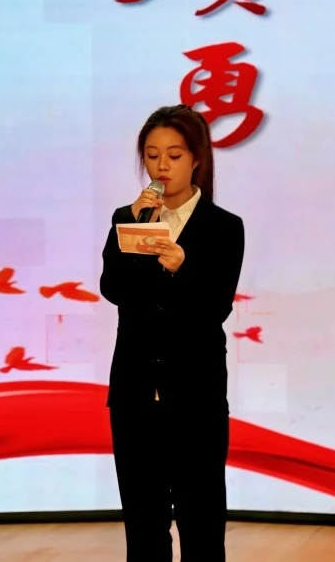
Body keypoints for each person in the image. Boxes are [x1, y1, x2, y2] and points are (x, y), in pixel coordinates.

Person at [100, 105, 245, 562]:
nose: (162, 166)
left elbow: (215, 308)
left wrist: (184, 269)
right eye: (152, 155)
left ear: (197, 158)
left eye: (174, 155)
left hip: (195, 395)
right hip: (135, 394)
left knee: (201, 521)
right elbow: (113, 288)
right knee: (144, 523)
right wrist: (133, 227)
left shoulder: (223, 227)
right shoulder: (128, 217)